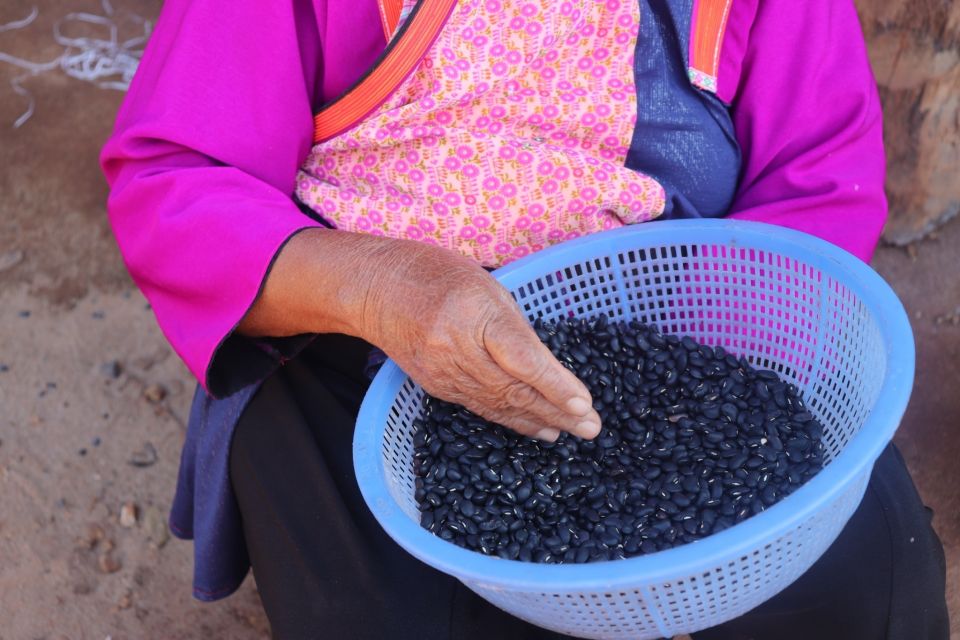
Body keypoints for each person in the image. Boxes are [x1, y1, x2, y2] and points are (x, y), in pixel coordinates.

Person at [100, 0, 949, 637]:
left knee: (874, 581)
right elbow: (174, 181)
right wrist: (381, 286)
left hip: (687, 326)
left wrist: (701, 398)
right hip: (358, 346)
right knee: (390, 614)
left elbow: (815, 174)